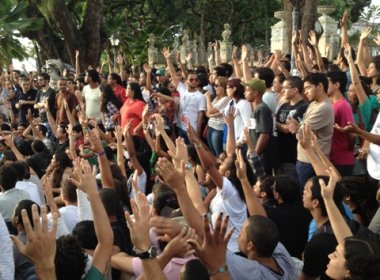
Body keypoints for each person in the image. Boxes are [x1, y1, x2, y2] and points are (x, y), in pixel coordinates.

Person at [295, 73, 334, 189]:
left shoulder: (324, 108)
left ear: (320, 86)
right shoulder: (313, 104)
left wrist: (296, 128)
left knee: (309, 197)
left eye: (308, 88)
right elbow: (302, 126)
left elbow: (300, 133)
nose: (305, 92)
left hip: (311, 162)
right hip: (304, 159)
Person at [162, 47, 206, 144]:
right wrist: (169, 60)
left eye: (196, 80)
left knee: (193, 153)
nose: (194, 81)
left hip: (192, 130)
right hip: (181, 127)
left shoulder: (201, 96)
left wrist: (198, 132)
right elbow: (173, 75)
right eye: (191, 79)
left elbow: (200, 115)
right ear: (186, 81)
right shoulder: (182, 89)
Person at [276, 76, 308, 178]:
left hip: (293, 156)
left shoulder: (303, 106)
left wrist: (275, 123)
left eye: (285, 87)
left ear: (295, 89)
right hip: (280, 155)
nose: (282, 90)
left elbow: (288, 129)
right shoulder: (284, 105)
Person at [326, 70, 355, 176]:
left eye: (327, 83)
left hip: (341, 160)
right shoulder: (329, 103)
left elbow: (352, 134)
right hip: (331, 158)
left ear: (337, 85)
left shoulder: (343, 105)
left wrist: (345, 150)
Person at [205, 76, 230, 156]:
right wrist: (214, 114)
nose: (214, 88)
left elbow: (210, 110)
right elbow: (207, 113)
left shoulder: (226, 98)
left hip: (218, 129)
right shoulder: (217, 98)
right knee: (213, 153)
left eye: (216, 85)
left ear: (223, 87)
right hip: (211, 127)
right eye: (214, 85)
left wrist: (208, 98)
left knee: (219, 154)